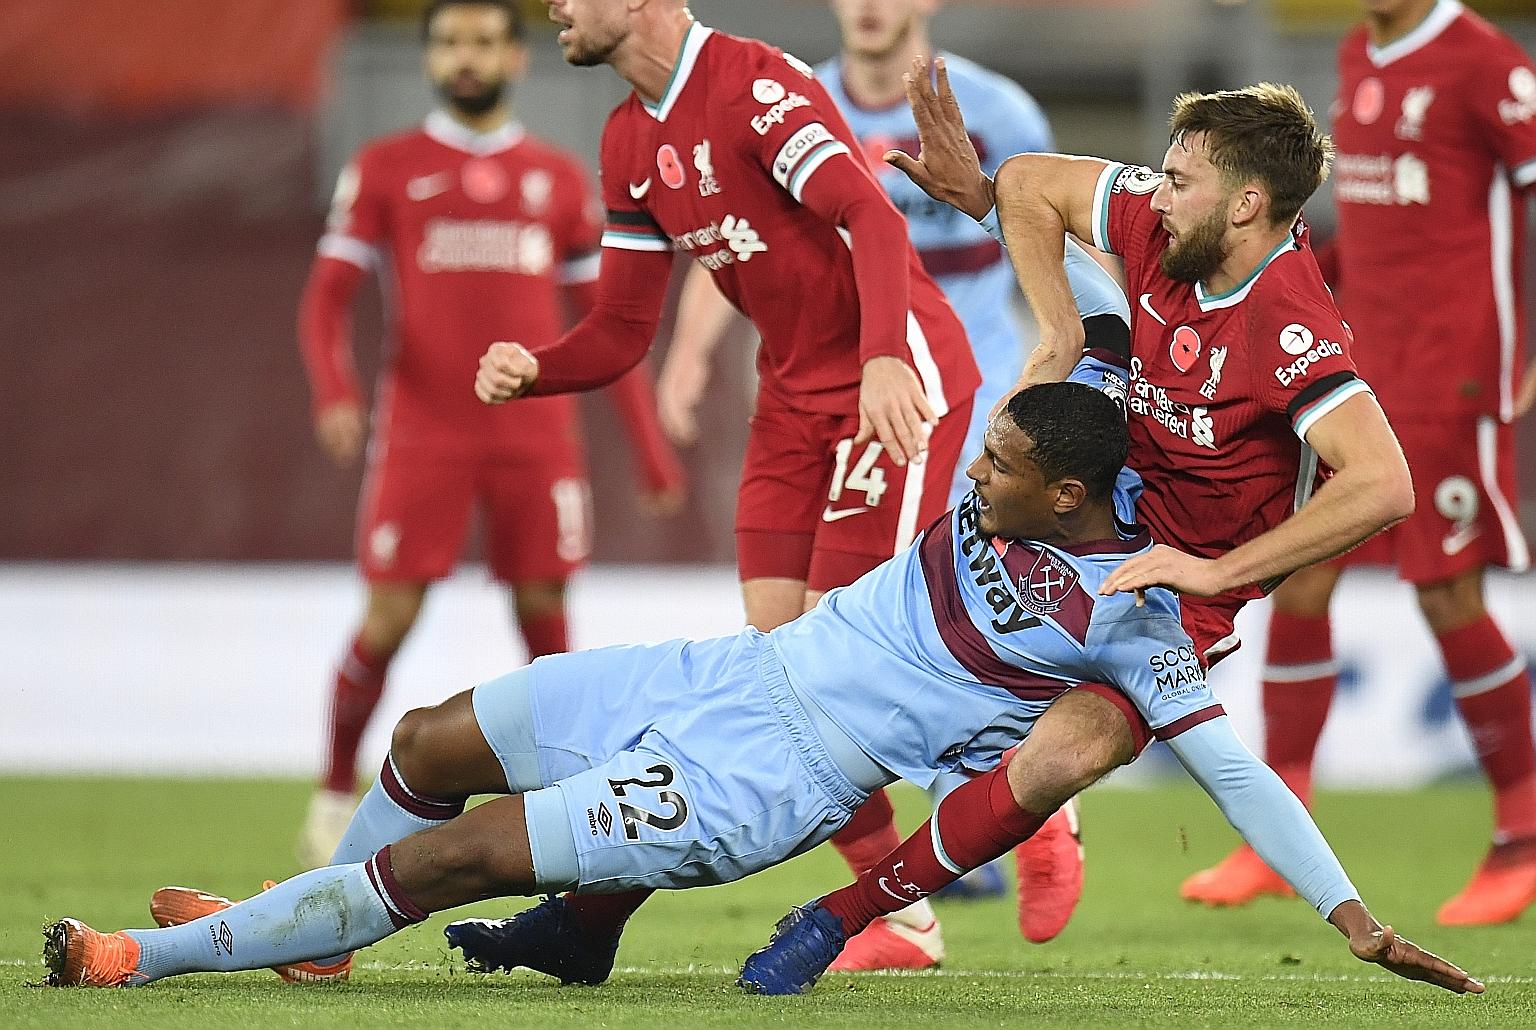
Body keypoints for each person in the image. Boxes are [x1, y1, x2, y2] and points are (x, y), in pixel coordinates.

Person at [41, 384, 1480, 1003]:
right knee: (432, 738)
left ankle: (141, 960)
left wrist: (1354, 920)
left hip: (772, 777)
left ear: (1064, 489)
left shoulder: (1135, 622)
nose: (970, 483)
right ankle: (320, 940)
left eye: (996, 474)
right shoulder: (1050, 430)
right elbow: (1074, 248)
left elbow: (1241, 775)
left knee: (446, 858)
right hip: (725, 674)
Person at [734, 64, 1420, 960]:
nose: (1156, 193)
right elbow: (1027, 184)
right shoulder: (1172, 227)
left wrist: (1216, 572)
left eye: (1179, 180)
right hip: (1103, 489)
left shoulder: (1289, 329)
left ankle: (861, 908)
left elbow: (1385, 484)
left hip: (1177, 583)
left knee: (1064, 753)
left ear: (1248, 204)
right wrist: (1049, 320)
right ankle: (970, 817)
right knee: (879, 657)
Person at [444, 0, 983, 973]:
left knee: (827, 672)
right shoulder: (625, 140)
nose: (553, 8)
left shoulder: (749, 82)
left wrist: (882, 361)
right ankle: (904, 920)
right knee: (776, 672)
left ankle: (1015, 798)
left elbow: (870, 210)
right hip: (788, 396)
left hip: (889, 375)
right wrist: (540, 366)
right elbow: (618, 328)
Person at [650, 0, 1132, 966]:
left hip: (981, 399)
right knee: (795, 649)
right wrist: (691, 356)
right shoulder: (797, 103)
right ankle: (958, 868)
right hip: (835, 394)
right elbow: (731, 240)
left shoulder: (994, 110)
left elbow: (1058, 235)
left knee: (878, 639)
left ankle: (1011, 810)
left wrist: (1095, 361)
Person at [294, 0, 685, 866]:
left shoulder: (555, 178)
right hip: (424, 435)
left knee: (544, 611)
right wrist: (334, 389)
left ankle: (560, 796)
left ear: (514, 58)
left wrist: (651, 448)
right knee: (389, 614)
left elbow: (604, 323)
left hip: (536, 439)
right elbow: (326, 297)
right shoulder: (386, 168)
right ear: (431, 59)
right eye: (447, 43)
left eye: (481, 42)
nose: (464, 58)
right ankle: (330, 794)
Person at [1182, 0, 1536, 924]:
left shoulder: (1484, 63)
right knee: (1302, 574)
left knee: (1444, 590)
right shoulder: (1358, 52)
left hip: (1450, 370)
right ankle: (1282, 820)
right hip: (1358, 365)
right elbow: (1380, 231)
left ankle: (1523, 836)